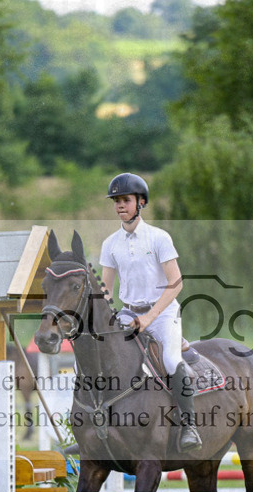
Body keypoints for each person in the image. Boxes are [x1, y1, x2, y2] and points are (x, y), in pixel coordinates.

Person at [99, 172, 201, 452]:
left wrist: (149, 318)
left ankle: (189, 425)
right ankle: (98, 429)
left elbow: (176, 282)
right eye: (116, 201)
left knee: (170, 360)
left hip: (164, 313)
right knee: (105, 359)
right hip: (128, 314)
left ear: (140, 202)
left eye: (126, 200)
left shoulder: (159, 238)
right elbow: (106, 289)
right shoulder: (110, 244)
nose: (120, 205)